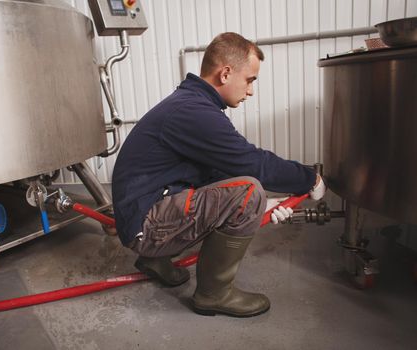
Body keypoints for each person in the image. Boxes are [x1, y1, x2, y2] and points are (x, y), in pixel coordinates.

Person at [111, 32, 325, 318]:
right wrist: (310, 178)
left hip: (144, 210)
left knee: (247, 190)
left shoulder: (190, 104)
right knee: (248, 191)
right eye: (250, 80)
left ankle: (155, 260)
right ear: (225, 73)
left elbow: (218, 172)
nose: (250, 91)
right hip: (146, 224)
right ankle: (214, 294)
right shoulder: (193, 111)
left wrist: (268, 203)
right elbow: (251, 164)